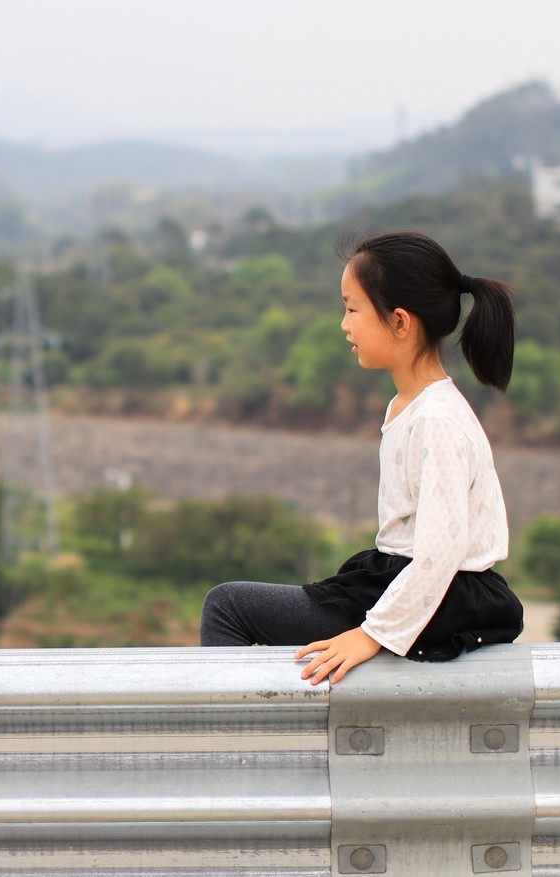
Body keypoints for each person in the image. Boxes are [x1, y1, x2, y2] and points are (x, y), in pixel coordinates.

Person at [200, 230, 524, 685]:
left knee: (227, 606)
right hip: (405, 582)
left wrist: (372, 634)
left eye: (352, 309)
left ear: (400, 322)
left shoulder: (437, 420)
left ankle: (230, 728)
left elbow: (441, 552)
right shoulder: (409, 407)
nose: (344, 324)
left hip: (440, 597)